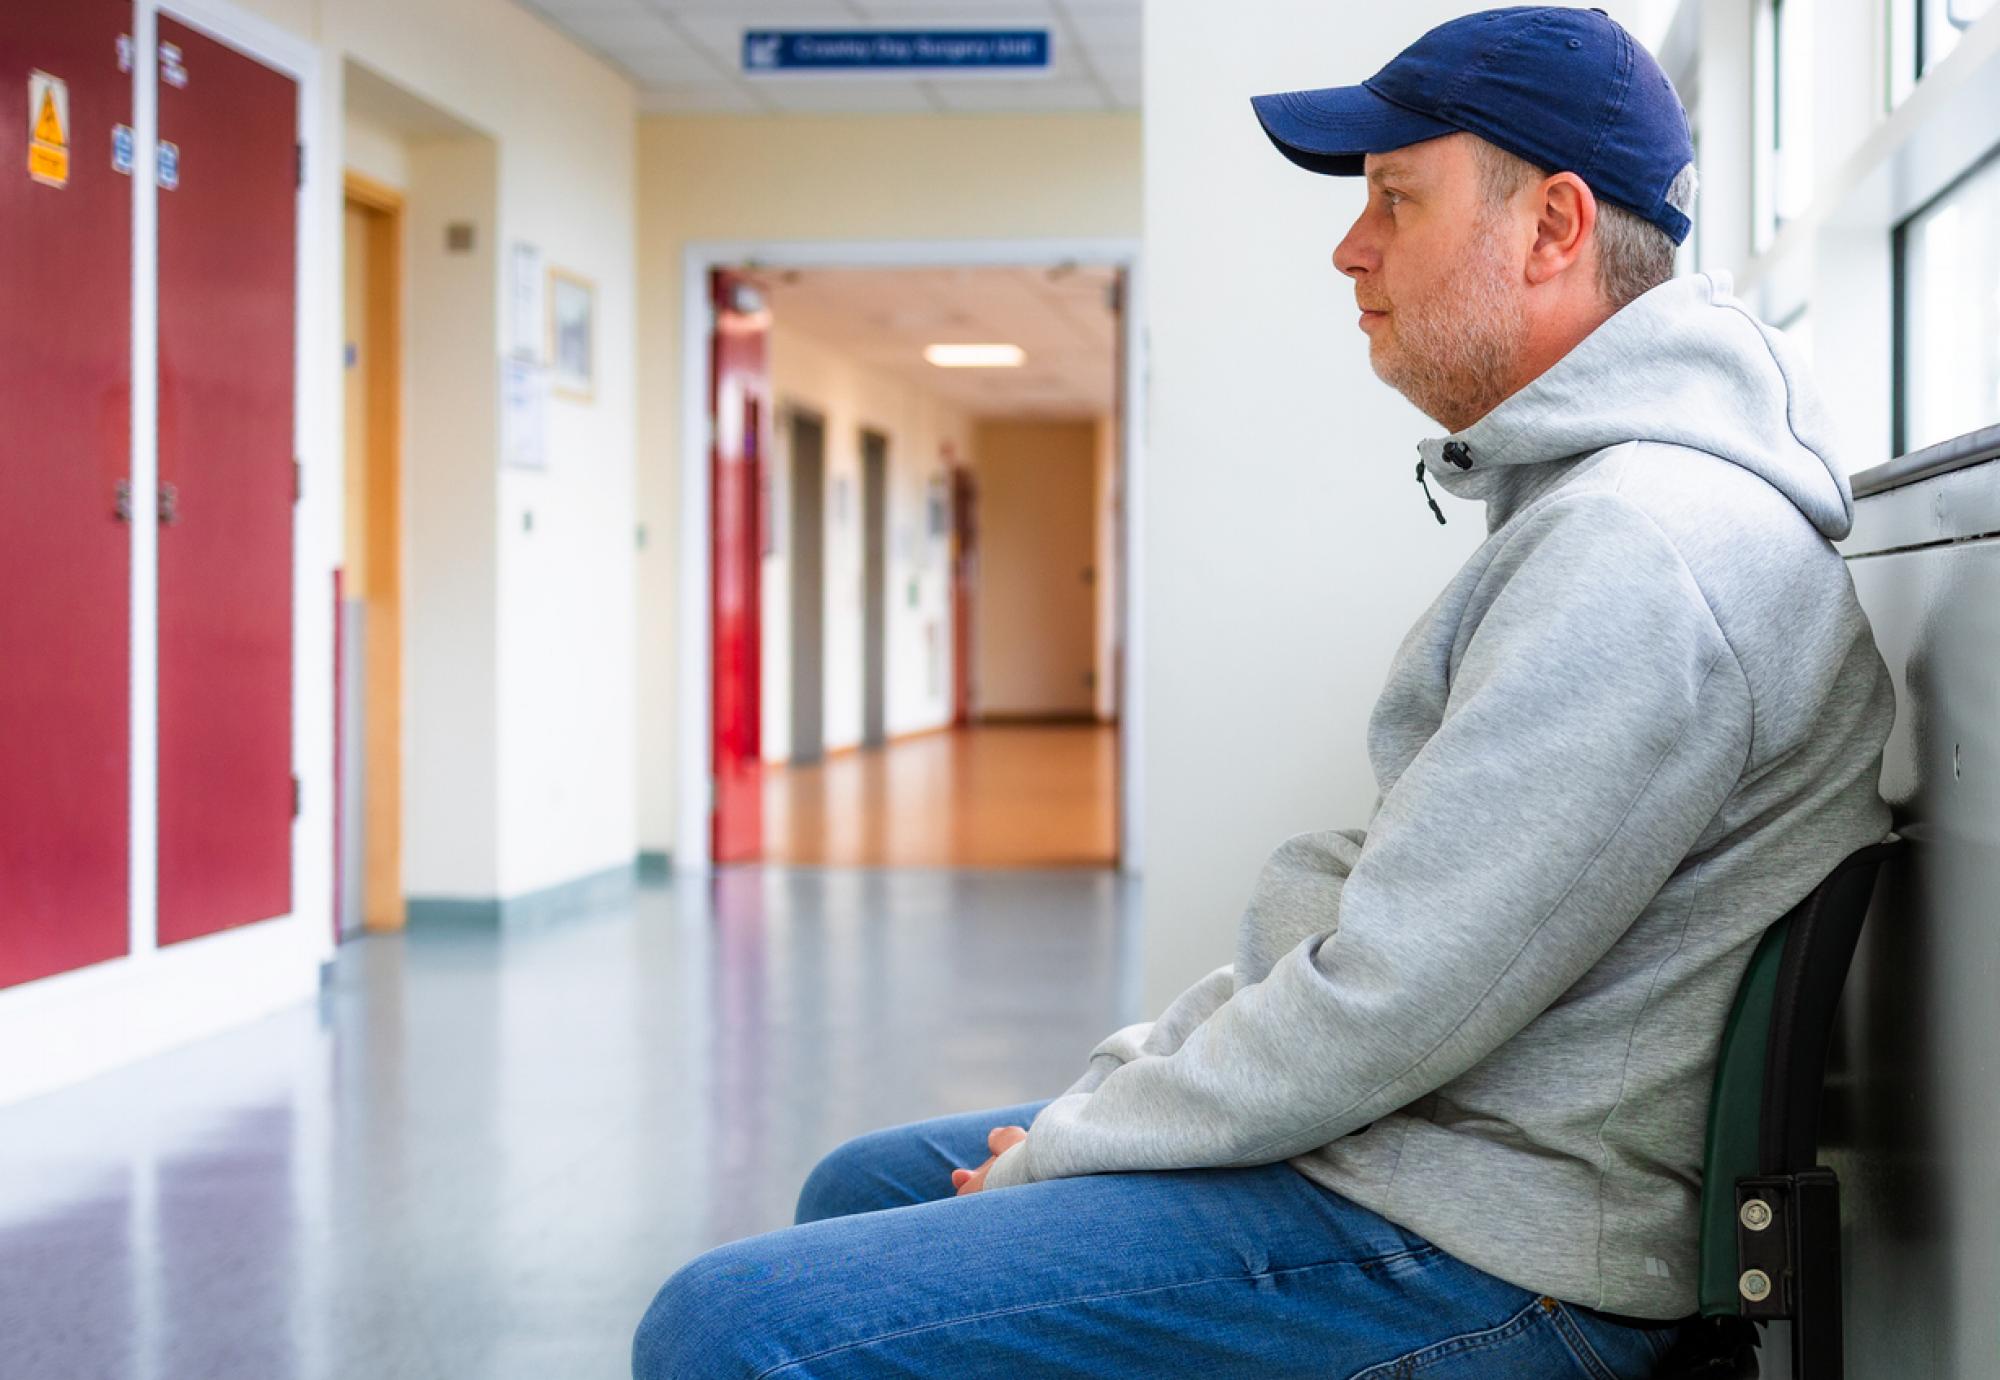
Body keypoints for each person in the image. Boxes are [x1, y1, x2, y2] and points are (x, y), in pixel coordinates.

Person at [632, 8, 1895, 1376]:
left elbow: (1384, 1001)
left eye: (1396, 201)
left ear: (1554, 229)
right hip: (1433, 1151)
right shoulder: (1598, 515)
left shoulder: (1641, 550)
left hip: (1508, 1254)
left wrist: (1074, 1139)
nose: (1351, 248)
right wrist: (1117, 1092)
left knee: (726, 1331)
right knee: (866, 1185)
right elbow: (1387, 936)